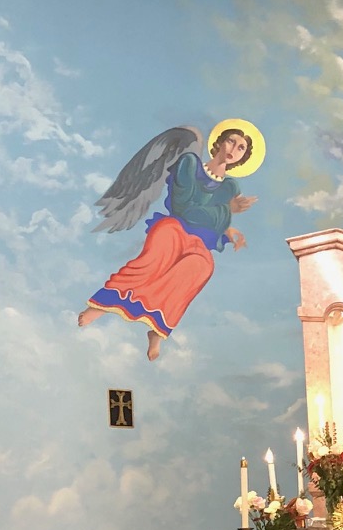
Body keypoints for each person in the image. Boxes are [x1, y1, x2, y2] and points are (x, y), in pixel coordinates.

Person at [79, 125, 256, 361]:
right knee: (154, 260)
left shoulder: (230, 188)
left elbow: (212, 223)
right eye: (231, 141)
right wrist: (227, 211)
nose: (234, 149)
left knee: (201, 268)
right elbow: (184, 207)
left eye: (241, 148)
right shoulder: (190, 164)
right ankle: (102, 304)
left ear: (244, 157)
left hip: (198, 243)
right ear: (219, 143)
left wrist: (228, 228)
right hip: (174, 227)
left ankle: (158, 331)